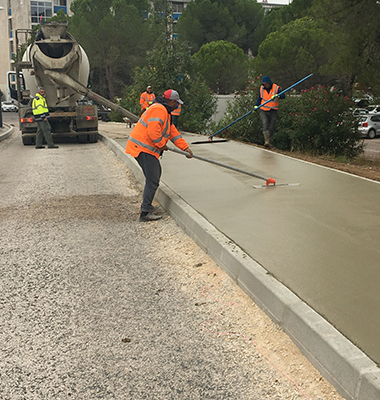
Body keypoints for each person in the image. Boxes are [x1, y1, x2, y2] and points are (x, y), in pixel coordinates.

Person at [126, 89, 193, 222]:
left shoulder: (165, 112)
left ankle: (147, 205)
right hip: (143, 149)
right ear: (172, 101)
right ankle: (145, 212)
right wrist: (162, 144)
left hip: (145, 149)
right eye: (177, 103)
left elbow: (172, 132)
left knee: (153, 177)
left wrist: (185, 148)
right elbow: (153, 131)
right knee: (153, 179)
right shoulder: (159, 109)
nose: (177, 106)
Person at [254, 76, 285, 148]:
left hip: (273, 111)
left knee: (271, 127)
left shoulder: (276, 88)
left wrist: (277, 95)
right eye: (264, 84)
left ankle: (270, 142)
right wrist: (256, 106)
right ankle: (266, 141)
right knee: (265, 124)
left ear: (269, 83)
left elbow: (283, 96)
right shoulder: (262, 89)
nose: (265, 85)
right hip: (263, 110)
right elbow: (259, 98)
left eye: (266, 84)